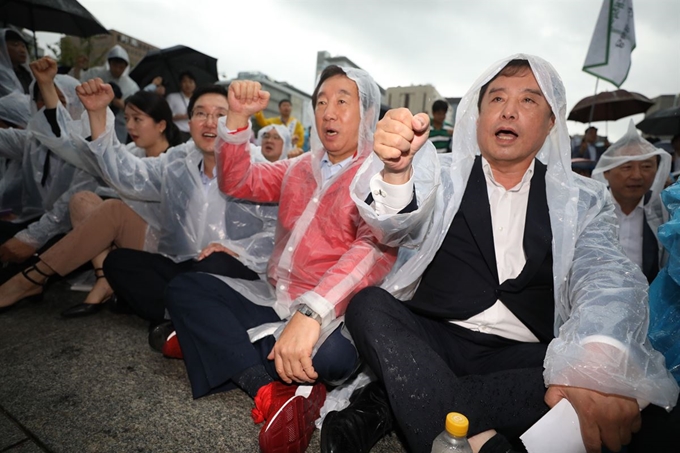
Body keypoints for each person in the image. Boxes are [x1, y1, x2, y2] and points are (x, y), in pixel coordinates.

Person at [322, 55, 679, 453]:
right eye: (496, 99)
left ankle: (391, 401)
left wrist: (595, 357)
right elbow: (394, 225)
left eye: (528, 100)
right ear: (477, 117)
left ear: (550, 124)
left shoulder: (583, 199)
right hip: (432, 336)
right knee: (370, 305)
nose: (508, 110)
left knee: (605, 393)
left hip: (522, 357)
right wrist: (394, 173)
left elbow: (604, 276)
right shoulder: (441, 175)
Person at [163, 66, 397, 453]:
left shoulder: (380, 176)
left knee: (333, 357)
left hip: (327, 314)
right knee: (184, 287)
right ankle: (269, 388)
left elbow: (373, 250)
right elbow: (238, 182)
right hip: (274, 298)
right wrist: (236, 118)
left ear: (367, 114)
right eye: (321, 102)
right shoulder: (300, 166)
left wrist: (312, 313)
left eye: (342, 101)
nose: (328, 112)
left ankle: (211, 341)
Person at [0, 77, 277, 321]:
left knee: (212, 268)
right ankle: (187, 317)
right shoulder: (177, 161)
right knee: (117, 264)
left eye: (220, 115)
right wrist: (97, 113)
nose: (209, 122)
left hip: (226, 269)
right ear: (189, 122)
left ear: (236, 121)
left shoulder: (257, 168)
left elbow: (276, 232)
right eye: (200, 113)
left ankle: (181, 315)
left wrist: (236, 249)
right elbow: (126, 174)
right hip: (181, 265)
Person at [23, 56, 182, 311]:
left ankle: (33, 278)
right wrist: (47, 86)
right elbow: (72, 147)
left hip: (162, 251)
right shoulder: (132, 151)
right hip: (125, 238)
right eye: (127, 118)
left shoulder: (176, 161)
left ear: (161, 124)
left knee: (113, 209)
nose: (129, 126)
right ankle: (104, 279)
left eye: (137, 119)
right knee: (82, 201)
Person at [0, 70, 98, 284]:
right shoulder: (32, 140)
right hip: (36, 221)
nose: (50, 109)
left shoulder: (89, 149)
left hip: (71, 230)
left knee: (19, 272)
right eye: (42, 100)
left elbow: (65, 210)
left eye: (60, 101)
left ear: (76, 106)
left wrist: (30, 239)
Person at [591, 120, 672, 283]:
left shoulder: (663, 211)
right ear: (606, 172)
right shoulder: (591, 209)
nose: (637, 175)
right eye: (627, 167)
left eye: (646, 167)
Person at [71, 45, 140, 142]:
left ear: (126, 67)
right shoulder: (95, 73)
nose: (117, 69)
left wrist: (123, 105)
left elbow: (138, 109)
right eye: (115, 65)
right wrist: (78, 68)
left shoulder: (132, 86)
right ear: (109, 63)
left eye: (121, 67)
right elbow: (76, 86)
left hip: (118, 129)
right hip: (90, 122)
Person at [0, 29, 33, 97]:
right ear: (2, 48)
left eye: (23, 46)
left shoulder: (25, 71)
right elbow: (16, 100)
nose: (22, 50)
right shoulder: (2, 71)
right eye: (15, 45)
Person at [165, 71, 195, 142]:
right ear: (180, 84)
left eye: (190, 82)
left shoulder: (197, 99)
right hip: (179, 133)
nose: (188, 84)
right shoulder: (172, 97)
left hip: (193, 134)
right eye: (184, 81)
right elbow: (165, 116)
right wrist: (181, 117)